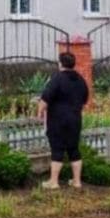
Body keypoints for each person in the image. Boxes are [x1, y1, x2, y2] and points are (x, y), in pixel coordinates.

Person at [37, 52, 89, 189]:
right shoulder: (80, 80)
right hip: (75, 119)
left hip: (57, 120)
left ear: (60, 63)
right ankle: (77, 181)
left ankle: (53, 182)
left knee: (57, 149)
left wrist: (39, 112)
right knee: (74, 149)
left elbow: (45, 98)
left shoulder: (57, 79)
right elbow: (85, 99)